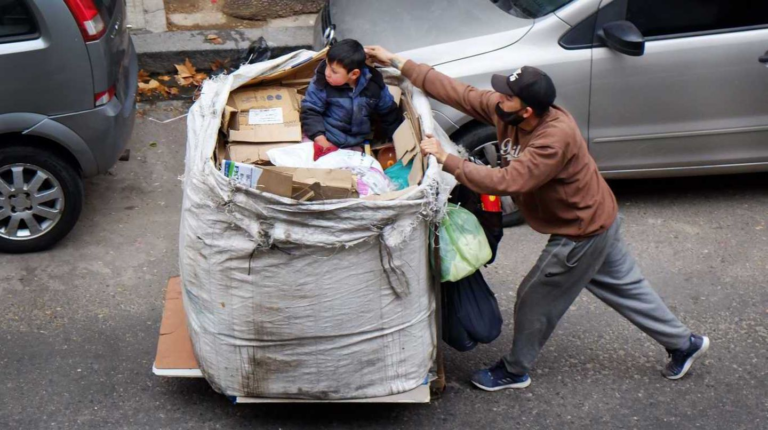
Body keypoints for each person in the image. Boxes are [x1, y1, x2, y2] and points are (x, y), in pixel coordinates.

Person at [365, 45, 710, 391]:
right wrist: (397, 61)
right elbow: (461, 93)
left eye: (506, 96)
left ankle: (515, 370)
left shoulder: (553, 138)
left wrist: (446, 159)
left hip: (580, 230)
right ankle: (685, 344)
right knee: (628, 289)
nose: (497, 98)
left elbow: (508, 181)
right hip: (599, 218)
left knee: (534, 298)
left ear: (527, 110)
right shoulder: (509, 112)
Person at [301, 39, 402, 161]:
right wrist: (320, 139)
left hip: (355, 144)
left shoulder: (374, 85)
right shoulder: (321, 81)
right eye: (327, 64)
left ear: (354, 74)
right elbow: (310, 110)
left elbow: (389, 114)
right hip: (325, 138)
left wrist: (393, 142)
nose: (327, 72)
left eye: (334, 71)